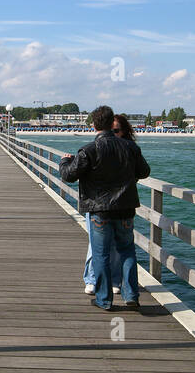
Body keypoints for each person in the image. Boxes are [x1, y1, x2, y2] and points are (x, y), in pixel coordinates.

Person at [59, 106, 150, 311]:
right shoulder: (130, 148)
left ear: (93, 125)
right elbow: (144, 172)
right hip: (125, 209)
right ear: (111, 124)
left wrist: (65, 161)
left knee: (101, 254)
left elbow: (69, 175)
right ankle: (131, 295)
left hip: (100, 210)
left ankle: (104, 299)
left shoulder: (88, 150)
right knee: (127, 251)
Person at [80, 114, 137, 295]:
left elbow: (72, 173)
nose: (113, 133)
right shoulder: (103, 149)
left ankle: (111, 287)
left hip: (109, 206)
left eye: (117, 131)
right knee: (102, 246)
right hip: (107, 206)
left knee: (112, 247)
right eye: (111, 130)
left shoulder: (127, 149)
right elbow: (144, 171)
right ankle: (93, 279)